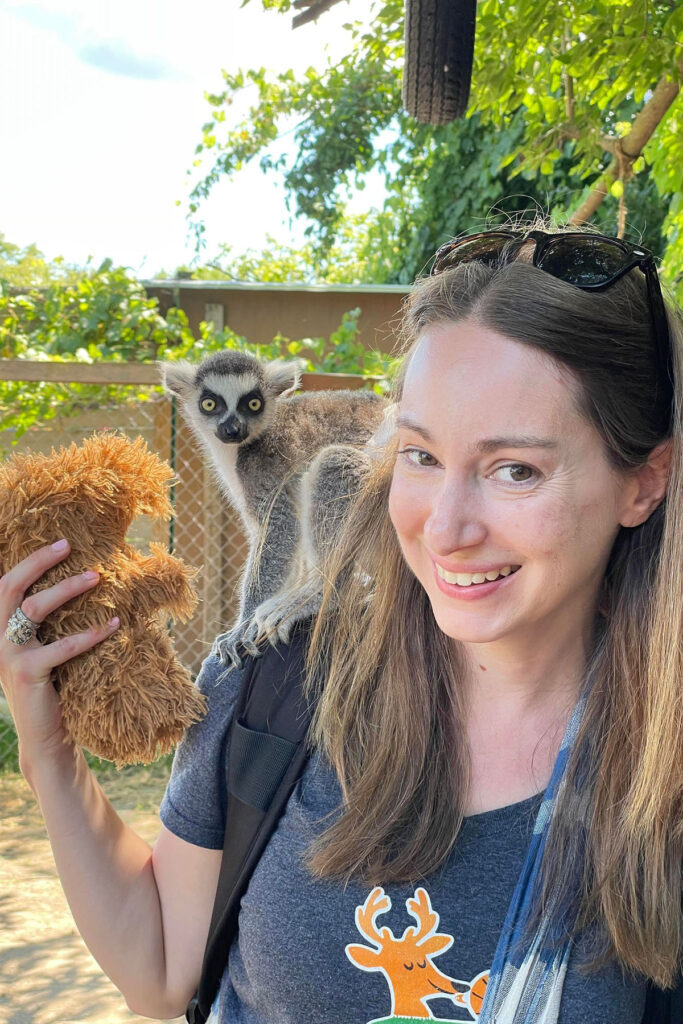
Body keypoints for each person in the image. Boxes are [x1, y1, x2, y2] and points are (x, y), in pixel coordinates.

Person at [1, 224, 681, 1024]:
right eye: (422, 456)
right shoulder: (273, 684)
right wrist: (47, 749)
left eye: (514, 469)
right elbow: (158, 977)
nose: (444, 527)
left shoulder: (657, 762)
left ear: (644, 483)